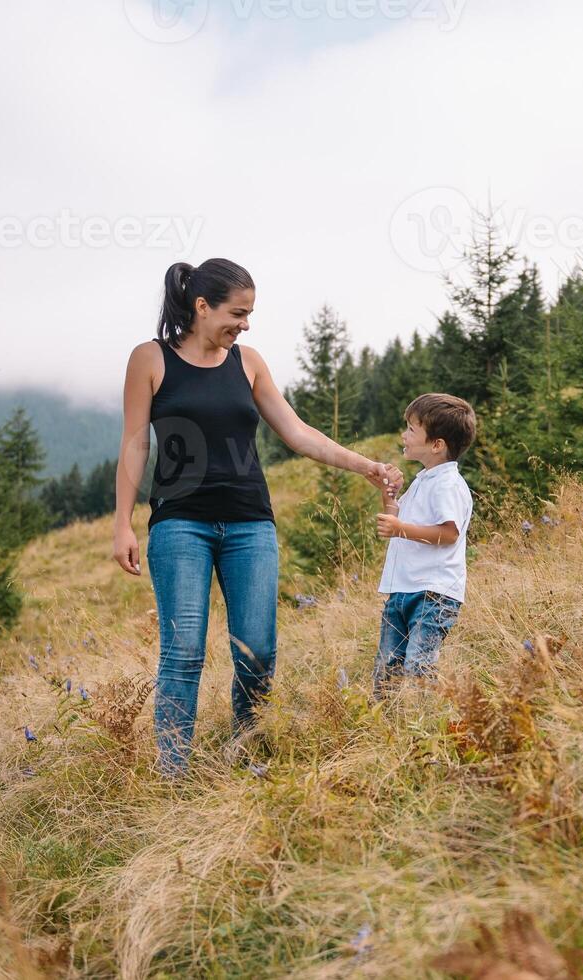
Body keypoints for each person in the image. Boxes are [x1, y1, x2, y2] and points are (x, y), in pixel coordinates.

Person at [111, 258, 402, 777]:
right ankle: (173, 770)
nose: (244, 324)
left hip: (250, 524)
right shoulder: (150, 359)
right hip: (181, 525)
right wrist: (121, 522)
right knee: (183, 651)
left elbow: (297, 432)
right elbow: (135, 443)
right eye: (237, 313)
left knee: (258, 649)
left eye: (249, 315)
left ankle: (247, 752)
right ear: (202, 307)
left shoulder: (248, 363)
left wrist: (366, 467)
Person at [372, 393, 476, 698]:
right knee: (386, 671)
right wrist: (389, 496)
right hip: (403, 589)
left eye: (411, 429)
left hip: (433, 593)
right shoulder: (423, 480)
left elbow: (449, 533)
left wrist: (401, 528)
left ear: (437, 445)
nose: (404, 435)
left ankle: (422, 730)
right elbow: (396, 521)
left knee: (418, 669)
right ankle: (386, 731)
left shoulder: (448, 484)